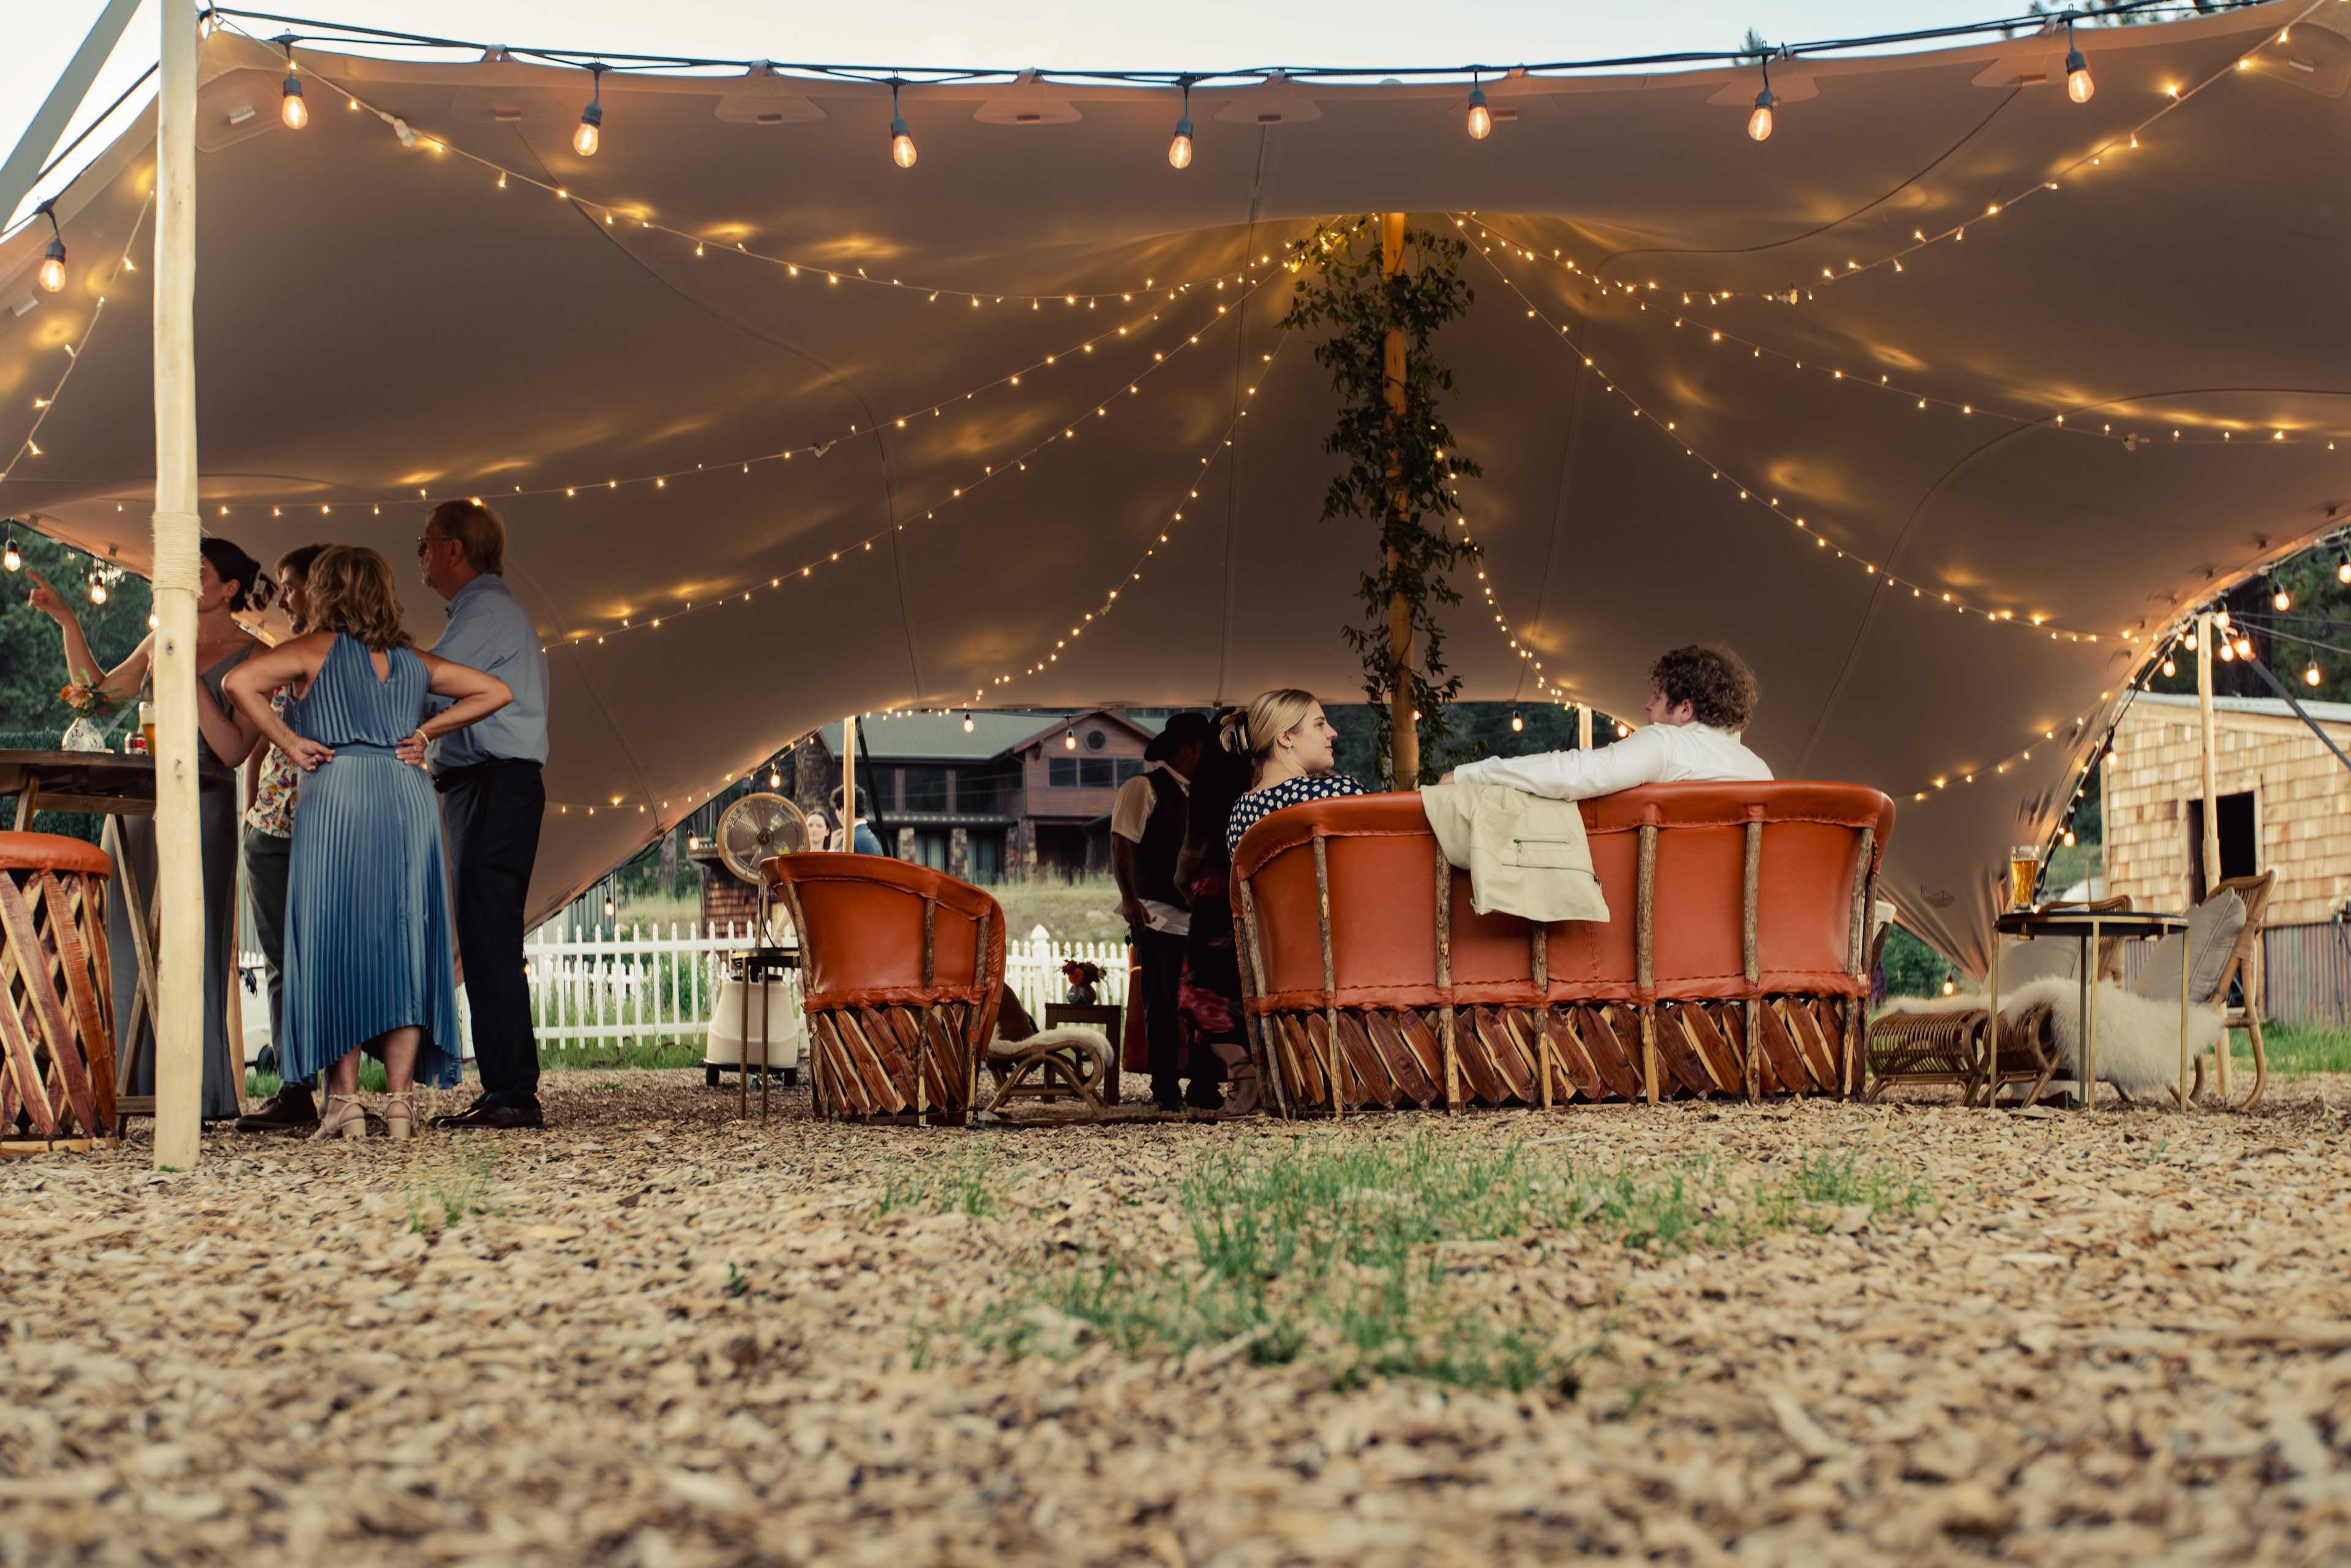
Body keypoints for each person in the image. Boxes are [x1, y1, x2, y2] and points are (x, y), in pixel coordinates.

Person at [224, 546, 512, 1139]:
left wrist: (286, 740)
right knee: (404, 941)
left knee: (336, 943)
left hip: (336, 794)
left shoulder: (310, 650)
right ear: (385, 591)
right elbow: (493, 691)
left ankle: (346, 1102)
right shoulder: (411, 660)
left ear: (326, 591)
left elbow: (238, 681)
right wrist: (424, 731)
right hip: (405, 798)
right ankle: (402, 1105)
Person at [25, 538, 271, 1120]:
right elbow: (96, 696)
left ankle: (204, 1091)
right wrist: (66, 620)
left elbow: (235, 750)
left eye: (200, 570)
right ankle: (134, 1084)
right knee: (129, 940)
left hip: (206, 806)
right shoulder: (159, 637)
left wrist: (182, 672)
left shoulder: (256, 656)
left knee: (194, 936)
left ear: (230, 588)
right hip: (139, 809)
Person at [413, 501, 552, 1131]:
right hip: (486, 782)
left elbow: (426, 681)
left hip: (495, 782)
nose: (421, 555)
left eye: (426, 543)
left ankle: (513, 1091)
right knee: (485, 930)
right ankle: (505, 1083)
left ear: (454, 550)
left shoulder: (486, 611)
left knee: (489, 932)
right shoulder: (486, 610)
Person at [235, 543, 329, 1133]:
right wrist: (251, 813)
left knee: (321, 957)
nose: (285, 596)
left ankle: (333, 1084)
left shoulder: (342, 655)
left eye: (293, 585)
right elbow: (259, 745)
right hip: (274, 828)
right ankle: (297, 1087)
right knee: (279, 961)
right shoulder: (284, 654)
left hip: (327, 828)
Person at [1444, 643, 1770, 798]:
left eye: (1657, 698)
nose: (1646, 705)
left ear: (1685, 710)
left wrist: (1469, 774)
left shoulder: (1668, 745)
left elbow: (1573, 774)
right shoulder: (1760, 771)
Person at [1111, 710, 1213, 1111]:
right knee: (1162, 1000)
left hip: (1198, 918)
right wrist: (1130, 898)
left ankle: (1203, 1085)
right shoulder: (1144, 787)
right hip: (1155, 912)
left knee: (1204, 1001)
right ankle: (1165, 1087)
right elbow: (1122, 843)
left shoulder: (1203, 793)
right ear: (1188, 749)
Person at [1173, 710, 1258, 1115]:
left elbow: (1186, 860)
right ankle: (1264, 1074)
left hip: (1212, 898)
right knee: (1252, 990)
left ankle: (1244, 1076)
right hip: (1256, 895)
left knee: (1199, 995)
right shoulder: (1259, 783)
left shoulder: (1205, 786)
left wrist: (1186, 886)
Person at [1223, 691, 1370, 858]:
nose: (1333, 732)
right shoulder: (1339, 794)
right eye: (1320, 724)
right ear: (1286, 738)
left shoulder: (1240, 816)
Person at [827, 786, 885, 855]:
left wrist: (832, 849)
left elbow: (834, 865)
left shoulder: (850, 841)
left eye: (836, 809)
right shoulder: (869, 836)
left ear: (842, 809)